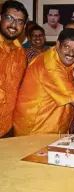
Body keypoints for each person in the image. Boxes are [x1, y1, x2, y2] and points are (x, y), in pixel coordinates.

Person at [13, 29, 74, 136]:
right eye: (67, 47)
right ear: (58, 44)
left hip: (53, 128)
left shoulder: (61, 60)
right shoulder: (50, 66)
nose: (71, 53)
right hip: (36, 130)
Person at [0, 0, 28, 138]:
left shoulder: (21, 54)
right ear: (0, 18)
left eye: (20, 21)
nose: (14, 25)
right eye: (9, 18)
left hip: (7, 127)